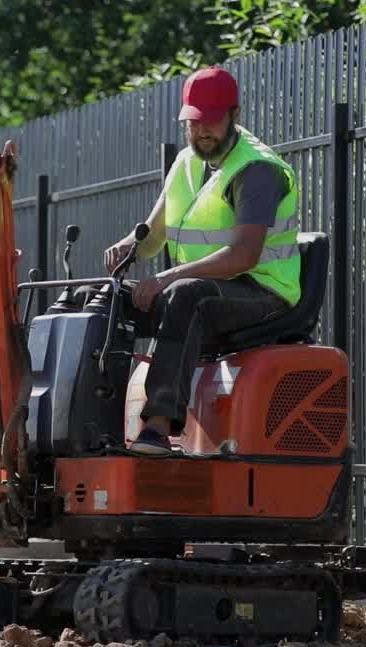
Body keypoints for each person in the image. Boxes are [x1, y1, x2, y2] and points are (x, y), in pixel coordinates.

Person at [103, 66, 304, 455]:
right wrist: (125, 247)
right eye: (193, 123)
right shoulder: (186, 163)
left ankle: (158, 427)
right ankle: (95, 425)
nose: (201, 131)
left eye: (211, 121)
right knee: (103, 300)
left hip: (262, 292)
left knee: (185, 296)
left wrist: (167, 276)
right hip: (202, 286)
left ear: (236, 116)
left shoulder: (257, 170)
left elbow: (243, 255)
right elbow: (151, 235)